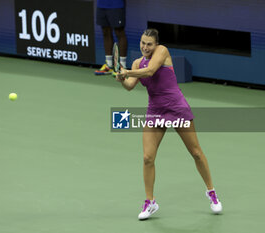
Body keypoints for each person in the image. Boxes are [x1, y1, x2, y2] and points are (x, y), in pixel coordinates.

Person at [116, 29, 223, 220]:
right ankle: (150, 202)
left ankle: (211, 192)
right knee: (148, 157)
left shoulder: (162, 52)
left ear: (156, 44)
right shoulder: (136, 63)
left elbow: (149, 71)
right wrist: (122, 79)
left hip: (176, 108)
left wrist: (128, 71)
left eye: (149, 44)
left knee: (196, 152)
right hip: (155, 111)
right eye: (142, 43)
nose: (145, 47)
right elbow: (130, 86)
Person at [94, 0, 127, 75]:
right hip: (101, 4)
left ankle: (122, 67)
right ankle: (109, 65)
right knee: (105, 31)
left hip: (116, 4)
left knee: (119, 32)